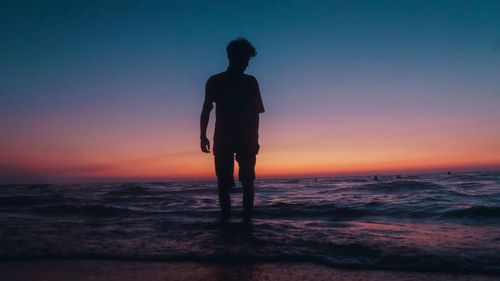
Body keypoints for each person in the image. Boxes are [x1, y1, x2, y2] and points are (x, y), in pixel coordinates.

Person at [200, 38, 265, 219]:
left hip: (244, 139)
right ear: (232, 57)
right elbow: (206, 109)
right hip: (223, 138)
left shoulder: (251, 82)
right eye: (244, 59)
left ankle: (246, 222)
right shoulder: (215, 81)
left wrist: (256, 140)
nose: (246, 64)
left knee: (247, 182)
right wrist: (202, 136)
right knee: (224, 184)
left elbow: (256, 114)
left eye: (248, 60)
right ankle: (227, 222)